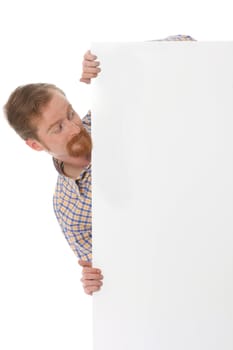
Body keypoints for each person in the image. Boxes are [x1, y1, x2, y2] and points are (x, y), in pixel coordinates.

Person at [4, 34, 195, 295]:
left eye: (70, 113)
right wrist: (96, 281)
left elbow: (187, 43)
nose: (74, 127)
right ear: (36, 145)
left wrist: (113, 64)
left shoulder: (112, 112)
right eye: (58, 127)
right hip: (187, 266)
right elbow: (114, 273)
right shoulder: (67, 207)